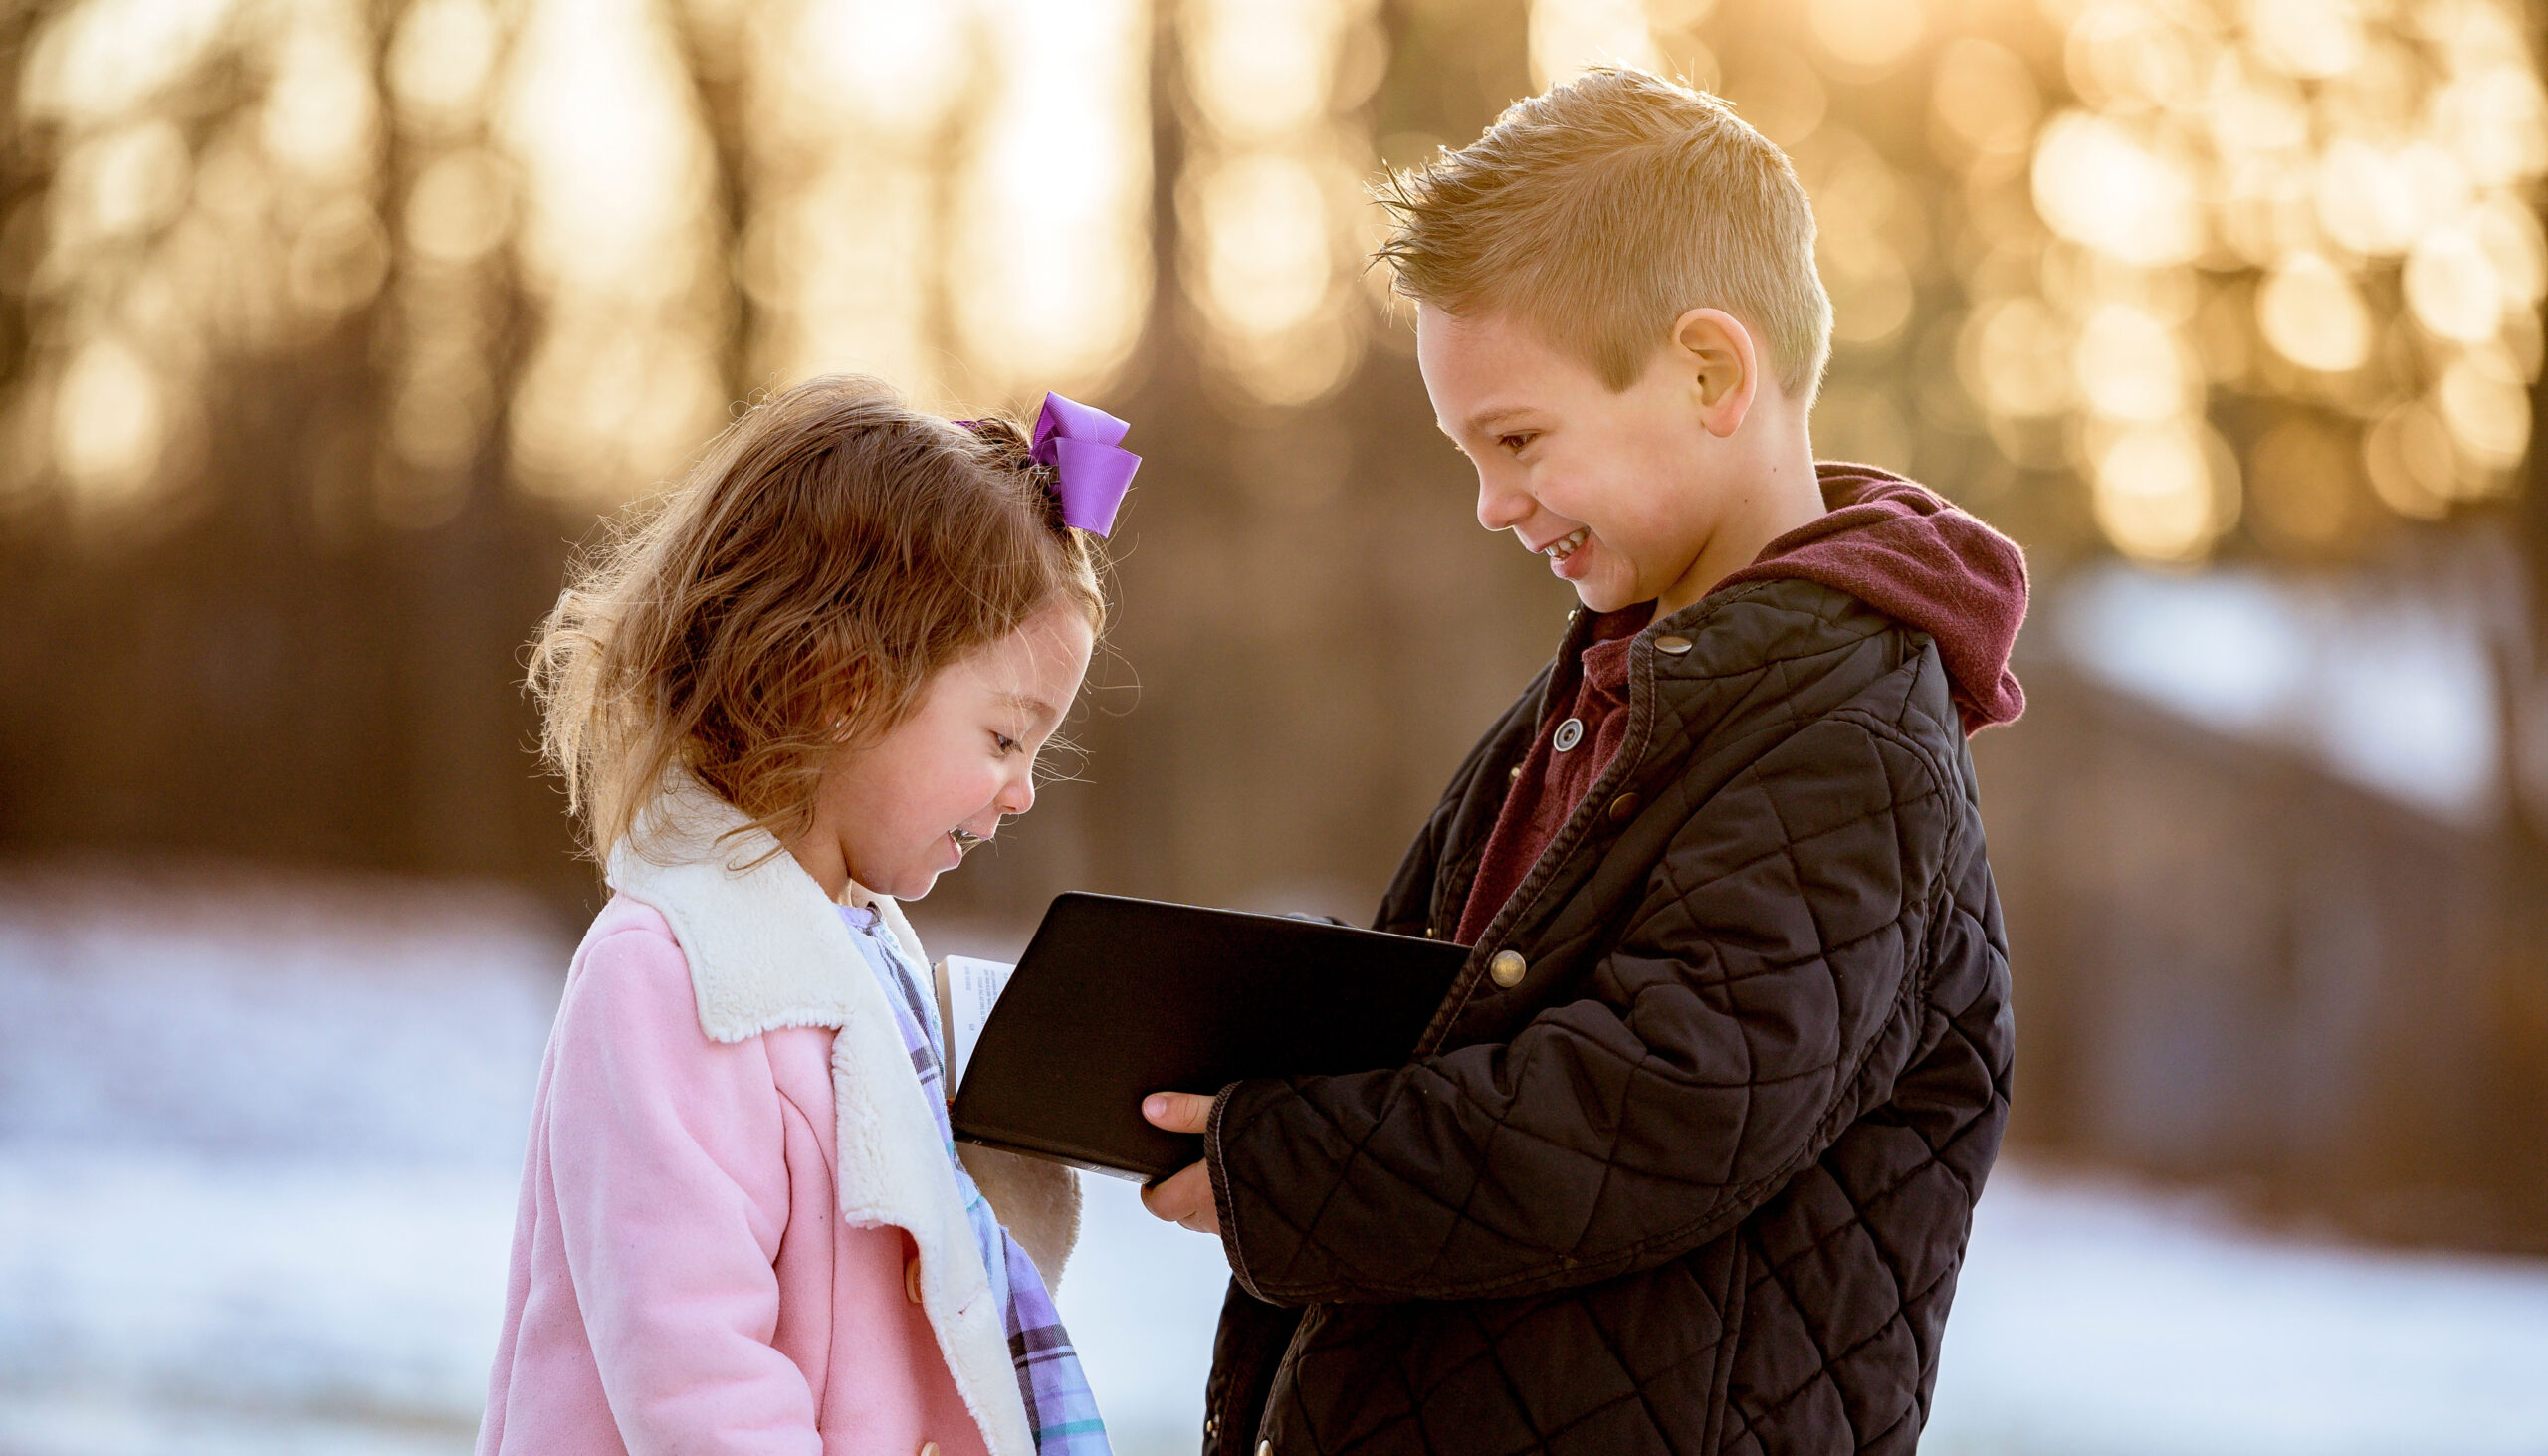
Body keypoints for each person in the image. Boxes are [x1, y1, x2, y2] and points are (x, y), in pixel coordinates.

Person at [1138, 68, 2025, 1456]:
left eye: (1519, 439)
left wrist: (1290, 1162)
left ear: (1711, 372)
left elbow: (1657, 1109)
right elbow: (1463, 1012)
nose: (1493, 502)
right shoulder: (1611, 695)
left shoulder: (1847, 736)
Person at [478, 377, 1138, 1456]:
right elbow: (698, 1373)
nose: (1021, 791)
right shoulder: (675, 970)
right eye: (1003, 738)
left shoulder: (863, 951)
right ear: (844, 688)